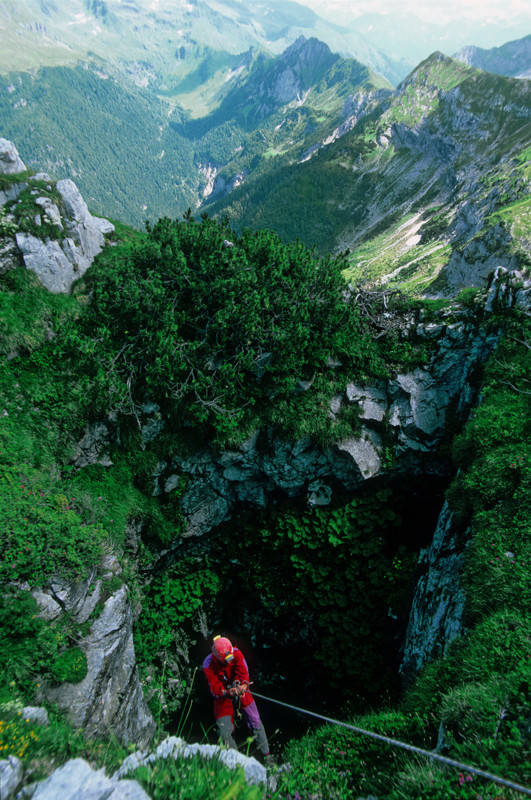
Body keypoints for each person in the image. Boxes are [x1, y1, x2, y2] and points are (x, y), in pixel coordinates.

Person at [202, 635, 271, 761]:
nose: (229, 662)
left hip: (240, 690)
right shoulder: (208, 663)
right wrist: (227, 693)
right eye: (226, 660)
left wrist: (243, 685)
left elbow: (244, 672)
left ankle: (267, 756)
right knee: (224, 731)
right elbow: (214, 688)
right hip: (223, 696)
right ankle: (235, 761)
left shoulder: (237, 653)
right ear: (218, 658)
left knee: (255, 720)